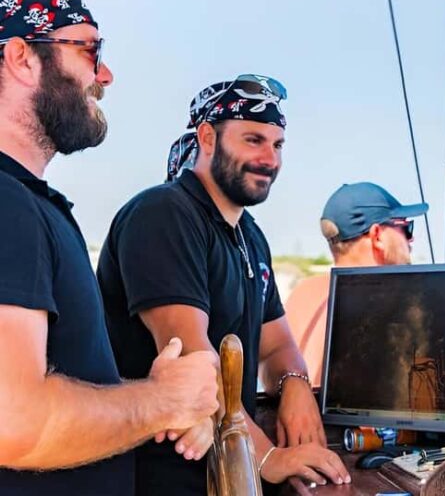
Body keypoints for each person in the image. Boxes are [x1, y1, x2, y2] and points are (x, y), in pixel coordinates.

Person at [0, 0, 219, 496]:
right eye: (89, 50)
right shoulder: (8, 203)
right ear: (22, 57)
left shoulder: (28, 203)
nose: (105, 74)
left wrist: (162, 399)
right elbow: (14, 420)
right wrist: (162, 402)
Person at [97, 75, 350, 494]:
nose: (269, 159)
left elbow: (276, 347)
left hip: (228, 475)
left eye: (278, 145)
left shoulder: (250, 236)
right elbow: (192, 358)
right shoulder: (163, 215)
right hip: (160, 478)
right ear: (207, 138)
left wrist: (294, 385)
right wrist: (268, 458)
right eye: (253, 140)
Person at [284, 182, 428, 386]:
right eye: (406, 228)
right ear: (377, 236)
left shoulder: (301, 294)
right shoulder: (390, 303)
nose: (411, 240)